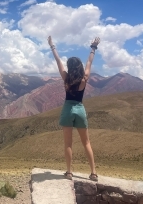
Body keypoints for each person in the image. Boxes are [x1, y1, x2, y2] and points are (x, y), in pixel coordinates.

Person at [47, 36, 100, 181]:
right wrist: (93, 47)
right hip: (80, 109)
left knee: (68, 143)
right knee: (86, 143)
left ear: (70, 67)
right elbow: (90, 61)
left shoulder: (66, 78)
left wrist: (52, 46)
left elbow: (58, 61)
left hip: (68, 109)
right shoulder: (85, 78)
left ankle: (69, 172)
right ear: (80, 67)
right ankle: (93, 172)